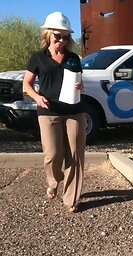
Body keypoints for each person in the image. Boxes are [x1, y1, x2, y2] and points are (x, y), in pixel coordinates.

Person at [23, 12, 85, 213]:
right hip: (48, 111)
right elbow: (27, 85)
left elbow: (79, 83)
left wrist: (79, 87)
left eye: (65, 37)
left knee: (75, 155)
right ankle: (54, 181)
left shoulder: (74, 58)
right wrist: (37, 97)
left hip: (74, 111)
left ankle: (71, 199)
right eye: (57, 36)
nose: (61, 40)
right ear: (48, 35)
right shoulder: (37, 57)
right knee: (53, 154)